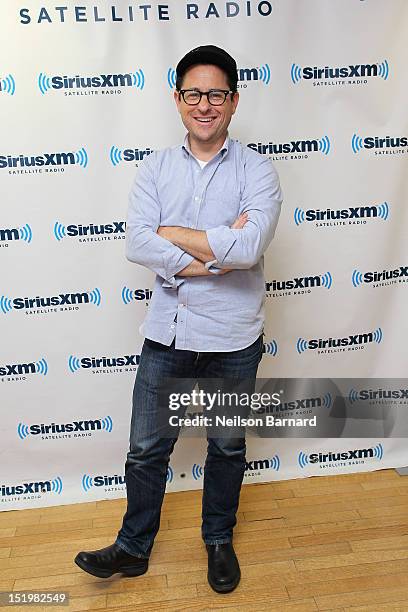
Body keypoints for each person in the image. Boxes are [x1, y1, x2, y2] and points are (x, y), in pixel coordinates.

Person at [75, 45, 283, 593]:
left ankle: (218, 541)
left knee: (228, 448)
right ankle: (132, 548)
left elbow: (250, 244)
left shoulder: (257, 170)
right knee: (146, 451)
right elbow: (137, 241)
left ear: (234, 101)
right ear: (177, 100)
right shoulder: (156, 168)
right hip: (166, 335)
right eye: (194, 94)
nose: (205, 104)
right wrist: (215, 253)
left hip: (234, 340)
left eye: (217, 94)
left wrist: (175, 240)